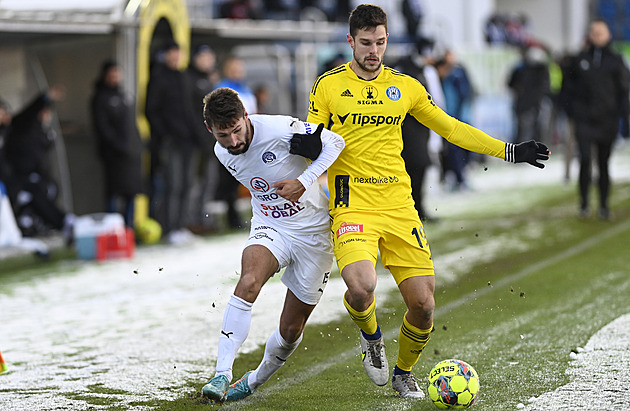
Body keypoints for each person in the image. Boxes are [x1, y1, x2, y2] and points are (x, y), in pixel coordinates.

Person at [302, 4, 549, 399]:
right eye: (366, 43)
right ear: (351, 41)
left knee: (424, 305)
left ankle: (403, 372)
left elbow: (450, 128)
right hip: (353, 205)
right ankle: (371, 338)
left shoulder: (407, 86)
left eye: (380, 42)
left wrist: (509, 151)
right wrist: (304, 159)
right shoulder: (327, 86)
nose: (374, 51)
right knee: (361, 286)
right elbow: (311, 139)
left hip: (400, 206)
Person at [200, 87, 345, 402]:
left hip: (314, 234)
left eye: (237, 130)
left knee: (291, 329)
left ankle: (253, 380)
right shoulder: (220, 151)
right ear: (211, 130)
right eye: (224, 135)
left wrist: (303, 181)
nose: (234, 141)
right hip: (271, 225)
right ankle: (221, 374)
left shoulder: (279, 130)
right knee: (249, 281)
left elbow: (336, 142)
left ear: (246, 118)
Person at [562, 19, 629, 220]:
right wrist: (572, 112)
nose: (598, 35)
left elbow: (623, 91)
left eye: (601, 32)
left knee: (603, 162)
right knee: (583, 159)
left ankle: (604, 205)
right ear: (589, 35)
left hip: (607, 120)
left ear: (608, 35)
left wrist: (624, 118)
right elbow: (566, 88)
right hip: (584, 120)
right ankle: (583, 204)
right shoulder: (579, 59)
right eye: (594, 32)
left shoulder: (616, 60)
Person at [3, 87, 75, 243]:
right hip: (12, 180)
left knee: (44, 190)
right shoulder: (16, 128)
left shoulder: (20, 129)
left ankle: (60, 222)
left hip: (24, 177)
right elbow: (28, 113)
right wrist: (44, 97)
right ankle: (59, 222)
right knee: (33, 192)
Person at [145, 40, 196, 243]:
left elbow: (191, 111)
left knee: (186, 184)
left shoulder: (184, 78)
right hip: (170, 142)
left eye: (178, 54)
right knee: (172, 185)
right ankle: (169, 229)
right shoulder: (159, 78)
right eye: (172, 53)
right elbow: (151, 110)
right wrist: (164, 134)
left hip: (188, 142)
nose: (175, 58)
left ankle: (181, 226)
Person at [91, 60, 143, 228]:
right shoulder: (100, 98)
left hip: (131, 155)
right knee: (113, 193)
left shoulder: (125, 96)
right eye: (112, 74)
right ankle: (112, 230)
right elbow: (103, 128)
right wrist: (118, 146)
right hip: (113, 155)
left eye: (117, 74)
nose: (115, 77)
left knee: (131, 193)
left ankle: (129, 229)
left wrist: (137, 146)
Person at [214, 55, 259, 229]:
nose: (238, 72)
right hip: (231, 141)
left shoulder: (245, 88)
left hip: (248, 140)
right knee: (229, 180)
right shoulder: (222, 89)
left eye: (240, 69)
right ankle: (230, 218)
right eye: (234, 69)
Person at [184, 45, 221, 233]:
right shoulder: (189, 79)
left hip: (211, 140)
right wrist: (201, 136)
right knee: (194, 182)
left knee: (209, 181)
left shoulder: (208, 80)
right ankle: (190, 220)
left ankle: (203, 218)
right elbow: (191, 114)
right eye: (205, 57)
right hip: (196, 141)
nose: (209, 61)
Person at [507, 46, 551, 144]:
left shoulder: (523, 69)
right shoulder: (523, 70)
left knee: (530, 129)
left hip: (531, 104)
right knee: (526, 130)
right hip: (528, 104)